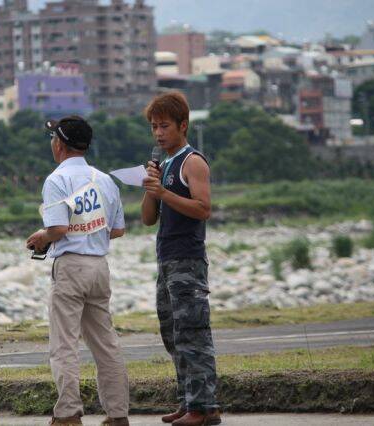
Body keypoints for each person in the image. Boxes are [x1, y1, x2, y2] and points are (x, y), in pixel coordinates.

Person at [26, 115, 130, 426]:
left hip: (70, 267)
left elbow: (57, 228)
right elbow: (117, 230)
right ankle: (118, 414)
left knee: (64, 344)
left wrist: (41, 237)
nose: (52, 144)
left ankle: (68, 413)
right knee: (106, 343)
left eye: (53, 139)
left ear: (60, 144)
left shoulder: (56, 180)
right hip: (99, 266)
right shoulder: (105, 180)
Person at [140, 92, 221, 426]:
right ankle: (188, 401)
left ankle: (203, 407)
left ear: (183, 125)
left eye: (164, 126)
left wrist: (165, 192)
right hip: (167, 259)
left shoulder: (192, 162)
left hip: (188, 259)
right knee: (173, 333)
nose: (158, 133)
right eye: (154, 127)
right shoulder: (165, 164)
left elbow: (203, 208)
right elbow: (148, 218)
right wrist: (152, 188)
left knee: (193, 333)